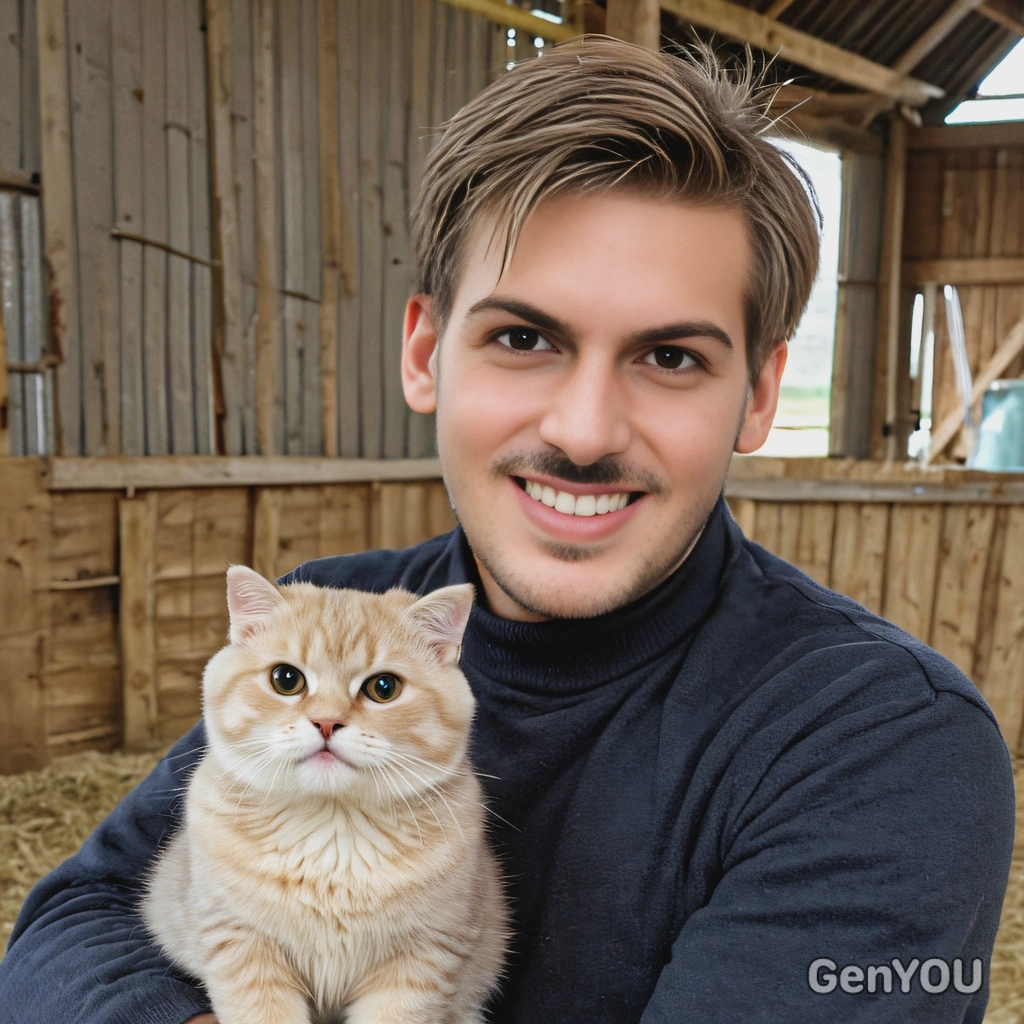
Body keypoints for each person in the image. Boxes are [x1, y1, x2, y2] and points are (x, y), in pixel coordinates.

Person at [0, 36, 1014, 1024]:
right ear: (426, 353)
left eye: (669, 358)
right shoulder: (328, 616)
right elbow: (68, 927)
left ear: (757, 396)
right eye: (523, 338)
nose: (582, 431)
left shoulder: (880, 741)